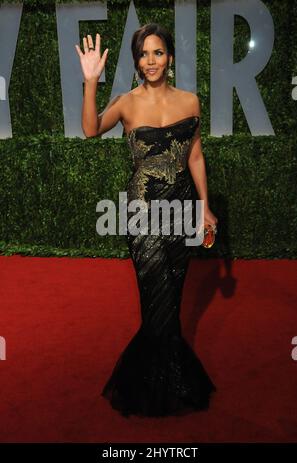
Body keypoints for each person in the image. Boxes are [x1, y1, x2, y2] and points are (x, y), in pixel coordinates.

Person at [75, 23, 218, 417]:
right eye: (143, 54)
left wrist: (204, 206)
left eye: (158, 52)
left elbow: (194, 156)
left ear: (170, 57)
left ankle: (168, 381)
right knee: (155, 300)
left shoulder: (190, 101)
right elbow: (90, 130)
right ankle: (151, 387)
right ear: (137, 60)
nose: (150, 61)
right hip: (142, 212)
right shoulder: (125, 103)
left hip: (182, 209)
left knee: (172, 299)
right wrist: (91, 82)